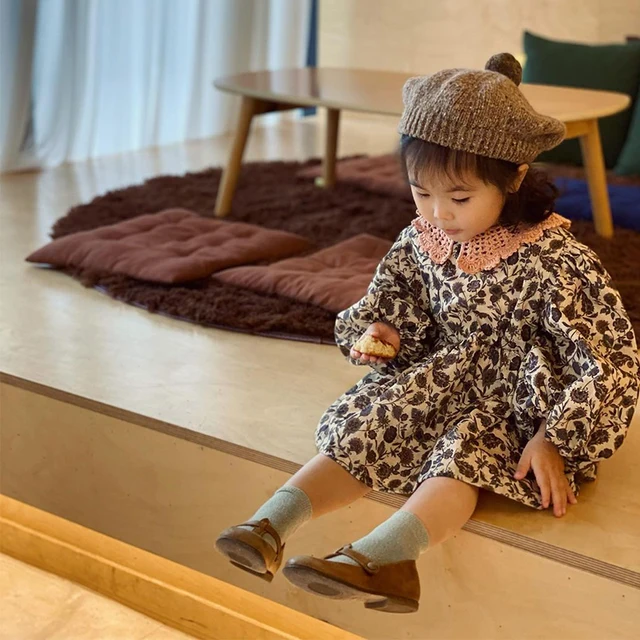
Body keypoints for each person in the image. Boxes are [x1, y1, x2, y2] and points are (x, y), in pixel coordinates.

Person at [215, 53, 639, 614]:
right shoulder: (422, 239)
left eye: (459, 198)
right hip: (439, 377)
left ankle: (389, 558)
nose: (438, 213)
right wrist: (385, 331)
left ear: (513, 178)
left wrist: (555, 437)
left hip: (519, 403)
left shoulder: (557, 260)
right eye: (421, 192)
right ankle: (268, 526)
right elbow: (395, 303)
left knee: (466, 450)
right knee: (371, 422)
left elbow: (607, 358)